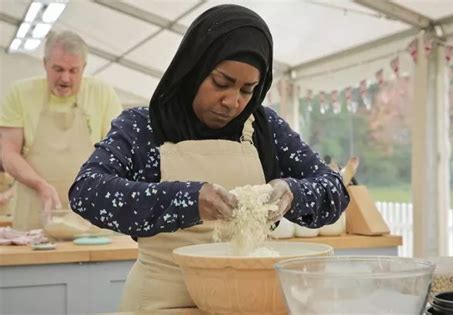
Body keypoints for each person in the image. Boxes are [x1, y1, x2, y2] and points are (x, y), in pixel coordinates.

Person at [69, 4, 349, 311]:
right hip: (162, 303)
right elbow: (87, 191)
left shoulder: (264, 129)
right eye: (221, 83)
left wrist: (293, 193)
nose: (232, 102)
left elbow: (333, 188)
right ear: (194, 68)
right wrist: (188, 200)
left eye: (247, 90)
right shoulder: (144, 126)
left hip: (247, 303)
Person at [0, 31, 122, 231]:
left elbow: (117, 153)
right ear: (45, 63)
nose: (65, 78)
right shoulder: (21, 93)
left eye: (74, 71)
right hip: (35, 211)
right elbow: (9, 153)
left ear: (84, 67)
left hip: (90, 214)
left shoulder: (102, 93)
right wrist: (40, 184)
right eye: (58, 69)